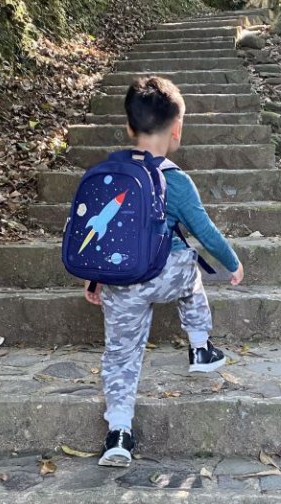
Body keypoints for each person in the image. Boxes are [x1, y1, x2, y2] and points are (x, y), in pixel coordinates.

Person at [83, 76, 245, 468]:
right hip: (168, 276)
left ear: (129, 128)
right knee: (191, 270)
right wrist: (232, 262)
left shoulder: (109, 176)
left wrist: (95, 277)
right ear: (177, 129)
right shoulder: (177, 180)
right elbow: (204, 231)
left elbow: (102, 233)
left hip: (123, 281)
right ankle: (200, 347)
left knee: (120, 355)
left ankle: (119, 434)